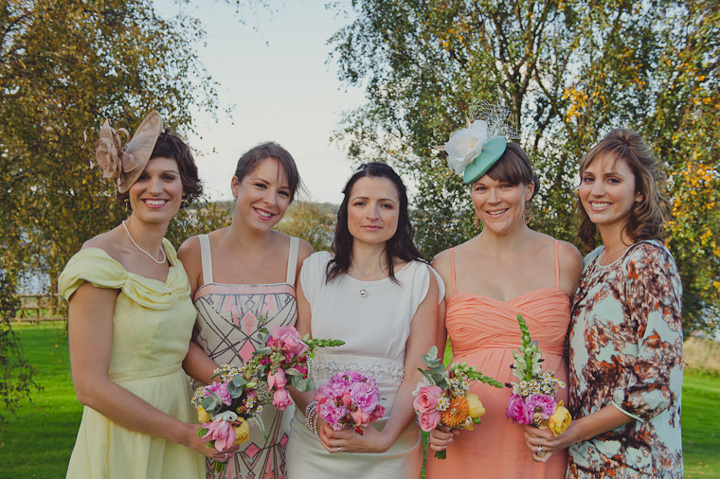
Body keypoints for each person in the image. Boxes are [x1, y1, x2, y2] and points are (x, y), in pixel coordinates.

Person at [59, 111, 234, 479]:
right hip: (125, 432)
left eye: (167, 177)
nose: (155, 188)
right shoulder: (99, 260)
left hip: (178, 419)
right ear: (126, 185)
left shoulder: (171, 258)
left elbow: (177, 348)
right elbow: (90, 387)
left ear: (184, 186)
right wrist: (186, 434)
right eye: (142, 177)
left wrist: (239, 385)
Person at [426, 115, 583, 479]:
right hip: (465, 440)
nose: (492, 199)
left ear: (528, 189)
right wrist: (435, 417)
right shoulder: (445, 265)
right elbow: (431, 362)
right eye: (480, 188)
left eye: (505, 186)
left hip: (540, 441)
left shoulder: (566, 260)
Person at [524, 128, 684, 478]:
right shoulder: (592, 261)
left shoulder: (648, 260)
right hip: (585, 463)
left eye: (612, 180)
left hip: (636, 462)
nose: (596, 191)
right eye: (588, 178)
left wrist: (575, 431)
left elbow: (657, 385)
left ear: (639, 192)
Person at [285, 162, 440, 479]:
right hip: (317, 447)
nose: (373, 214)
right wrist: (317, 419)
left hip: (390, 451)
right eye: (361, 203)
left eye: (386, 205)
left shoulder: (420, 279)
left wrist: (384, 439)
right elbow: (295, 364)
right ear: (346, 211)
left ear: (400, 213)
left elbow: (418, 373)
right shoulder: (315, 270)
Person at [178, 142, 313, 478]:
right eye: (260, 185)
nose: (271, 201)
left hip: (277, 425)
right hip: (210, 422)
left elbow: (305, 343)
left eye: (283, 192)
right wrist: (233, 390)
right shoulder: (195, 252)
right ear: (236, 185)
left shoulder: (301, 256)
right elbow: (178, 340)